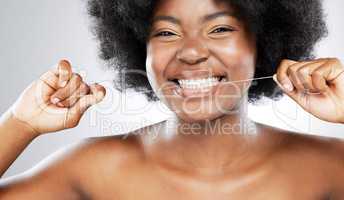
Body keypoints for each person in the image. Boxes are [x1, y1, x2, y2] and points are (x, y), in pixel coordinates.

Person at [1, 0, 344, 199]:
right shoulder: (95, 170)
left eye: (220, 28)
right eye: (166, 32)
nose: (192, 52)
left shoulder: (330, 169)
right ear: (139, 48)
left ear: (265, 43)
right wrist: (21, 123)